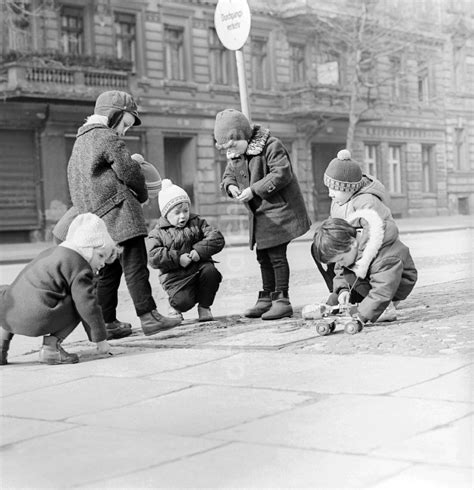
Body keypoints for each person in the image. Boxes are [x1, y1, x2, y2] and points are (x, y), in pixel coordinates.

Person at [67, 90, 180, 337]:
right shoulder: (107, 137)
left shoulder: (79, 143)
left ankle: (106, 323)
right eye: (125, 124)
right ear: (112, 115)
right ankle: (149, 317)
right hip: (121, 212)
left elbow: (74, 184)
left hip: (97, 220)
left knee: (108, 271)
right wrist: (142, 194)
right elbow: (128, 170)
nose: (124, 131)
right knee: (135, 265)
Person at [53, 152, 163, 340]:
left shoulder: (110, 191)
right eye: (148, 196)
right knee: (95, 280)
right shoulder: (119, 200)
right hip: (70, 239)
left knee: (108, 270)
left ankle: (106, 323)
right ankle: (92, 327)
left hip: (67, 235)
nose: (148, 201)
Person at [215, 108, 311, 320]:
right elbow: (228, 174)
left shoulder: (271, 145)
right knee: (262, 256)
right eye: (226, 147)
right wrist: (231, 186)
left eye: (232, 144)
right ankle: (267, 297)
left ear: (242, 134)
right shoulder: (237, 152)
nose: (230, 151)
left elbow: (282, 173)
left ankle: (282, 300)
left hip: (280, 211)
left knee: (276, 256)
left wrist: (253, 190)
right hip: (261, 215)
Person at [0, 213, 117, 365]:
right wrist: (101, 340)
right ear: (87, 249)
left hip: (8, 313)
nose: (102, 264)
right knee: (80, 303)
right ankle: (51, 349)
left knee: (15, 293)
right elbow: (88, 307)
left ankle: (1, 346)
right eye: (101, 256)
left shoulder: (52, 252)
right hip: (36, 318)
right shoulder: (79, 266)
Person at [305, 209, 417, 324]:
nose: (341, 263)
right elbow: (341, 270)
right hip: (371, 278)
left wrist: (362, 315)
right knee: (341, 290)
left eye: (341, 259)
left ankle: (385, 308)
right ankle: (331, 307)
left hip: (394, 284)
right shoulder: (349, 246)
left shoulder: (384, 256)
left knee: (362, 288)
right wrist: (343, 290)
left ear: (353, 243)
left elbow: (383, 289)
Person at [312, 149, 399, 294]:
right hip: (351, 251)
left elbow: (373, 238)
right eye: (329, 188)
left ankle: (368, 293)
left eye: (334, 189)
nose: (330, 193)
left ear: (349, 188)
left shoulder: (367, 202)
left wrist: (355, 261)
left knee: (342, 250)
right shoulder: (338, 202)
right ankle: (341, 290)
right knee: (322, 246)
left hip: (376, 255)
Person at [146, 179, 225, 322]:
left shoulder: (197, 223)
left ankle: (204, 307)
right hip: (176, 279)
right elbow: (152, 256)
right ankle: (175, 306)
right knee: (183, 301)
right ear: (166, 214)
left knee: (211, 272)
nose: (182, 216)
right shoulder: (157, 233)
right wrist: (177, 259)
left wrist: (199, 251)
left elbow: (217, 238)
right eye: (177, 213)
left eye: (185, 211)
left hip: (199, 269)